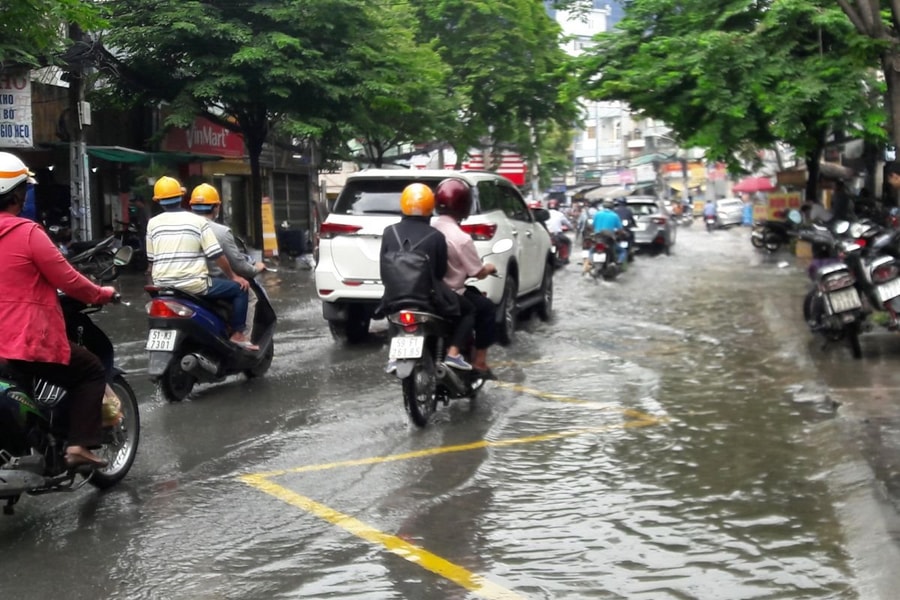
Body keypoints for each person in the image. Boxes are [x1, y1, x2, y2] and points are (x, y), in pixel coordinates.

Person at [0, 152, 117, 468]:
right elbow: (69, 280)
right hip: (25, 340)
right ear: (18, 195)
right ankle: (78, 445)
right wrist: (102, 294)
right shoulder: (28, 232)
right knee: (90, 369)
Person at [145, 175, 256, 350]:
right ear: (181, 198)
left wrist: (153, 280)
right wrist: (234, 277)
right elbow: (216, 255)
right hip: (194, 284)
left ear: (158, 201)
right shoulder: (197, 222)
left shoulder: (152, 223)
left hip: (163, 286)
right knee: (240, 290)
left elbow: (151, 261)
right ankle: (238, 334)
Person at [379, 183, 471, 371]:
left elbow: (383, 269)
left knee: (393, 315)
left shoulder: (389, 232)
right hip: (428, 298)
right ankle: (453, 354)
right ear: (430, 207)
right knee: (469, 310)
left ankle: (393, 357)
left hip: (394, 297)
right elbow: (439, 273)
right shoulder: (436, 236)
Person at [432, 178, 498, 376]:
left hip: (426, 291)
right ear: (465, 205)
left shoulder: (428, 228)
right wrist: (489, 267)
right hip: (452, 293)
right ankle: (479, 363)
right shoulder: (461, 238)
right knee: (486, 308)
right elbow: (476, 272)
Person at [189, 183, 266, 339]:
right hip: (210, 282)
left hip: (181, 281)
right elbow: (238, 265)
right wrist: (255, 269)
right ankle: (241, 337)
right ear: (216, 207)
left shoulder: (183, 228)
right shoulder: (221, 232)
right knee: (248, 293)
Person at [590, 200, 627, 267]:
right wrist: (623, 233)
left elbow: (592, 226)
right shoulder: (615, 215)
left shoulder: (597, 214)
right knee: (622, 251)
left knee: (591, 251)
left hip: (598, 238)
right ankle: (618, 263)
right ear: (612, 207)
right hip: (609, 239)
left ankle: (590, 262)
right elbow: (620, 229)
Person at [545, 198, 574, 263]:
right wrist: (572, 228)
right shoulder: (560, 214)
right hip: (557, 235)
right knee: (568, 242)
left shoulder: (545, 214)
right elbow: (568, 224)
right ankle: (565, 257)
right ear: (557, 206)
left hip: (546, 235)